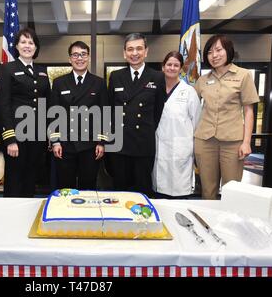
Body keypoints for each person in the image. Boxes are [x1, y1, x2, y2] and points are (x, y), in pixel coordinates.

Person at [194, 34, 259, 199]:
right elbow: (191, 108)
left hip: (232, 142)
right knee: (208, 190)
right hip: (205, 140)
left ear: (228, 51)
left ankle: (228, 224)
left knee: (232, 190)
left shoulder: (243, 75)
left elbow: (249, 111)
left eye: (218, 50)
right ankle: (208, 224)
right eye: (209, 52)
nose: (214, 55)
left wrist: (246, 142)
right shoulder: (202, 80)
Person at [108, 33, 166, 197]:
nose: (135, 53)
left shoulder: (158, 77)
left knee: (142, 191)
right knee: (119, 191)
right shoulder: (116, 76)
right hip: (119, 144)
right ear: (124, 53)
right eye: (130, 49)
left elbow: (158, 111)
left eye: (139, 48)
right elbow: (111, 109)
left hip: (143, 143)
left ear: (146, 51)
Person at [0, 27, 50, 197]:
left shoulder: (42, 71)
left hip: (37, 135)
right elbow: (3, 105)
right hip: (17, 136)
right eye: (23, 42)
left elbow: (46, 104)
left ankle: (28, 215)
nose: (27, 46)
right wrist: (10, 139)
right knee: (14, 178)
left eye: (31, 42)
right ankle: (12, 217)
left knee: (31, 177)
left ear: (36, 47)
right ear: (17, 46)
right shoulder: (7, 69)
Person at [49, 41, 108, 190]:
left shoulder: (99, 83)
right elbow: (53, 114)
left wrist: (102, 142)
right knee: (65, 188)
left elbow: (105, 113)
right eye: (75, 55)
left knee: (88, 187)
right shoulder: (59, 83)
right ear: (70, 59)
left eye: (83, 54)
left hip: (90, 146)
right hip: (65, 145)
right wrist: (55, 141)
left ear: (88, 57)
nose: (79, 58)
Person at [152, 51, 201, 198]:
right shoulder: (154, 90)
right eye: (169, 64)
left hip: (180, 149)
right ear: (163, 67)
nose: (172, 68)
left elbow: (197, 122)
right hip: (159, 147)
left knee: (179, 193)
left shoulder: (188, 92)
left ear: (181, 69)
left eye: (176, 65)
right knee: (159, 191)